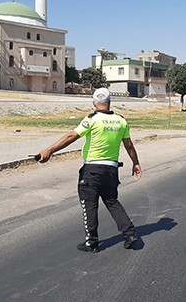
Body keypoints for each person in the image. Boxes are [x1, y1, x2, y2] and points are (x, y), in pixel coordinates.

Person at [37, 88, 142, 253]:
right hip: (111, 170)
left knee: (89, 204)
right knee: (112, 201)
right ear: (109, 103)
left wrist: (50, 150)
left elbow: (72, 136)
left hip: (92, 170)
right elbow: (128, 145)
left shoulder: (92, 119)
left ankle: (91, 243)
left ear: (94, 103)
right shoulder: (121, 120)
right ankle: (130, 234)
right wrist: (136, 163)